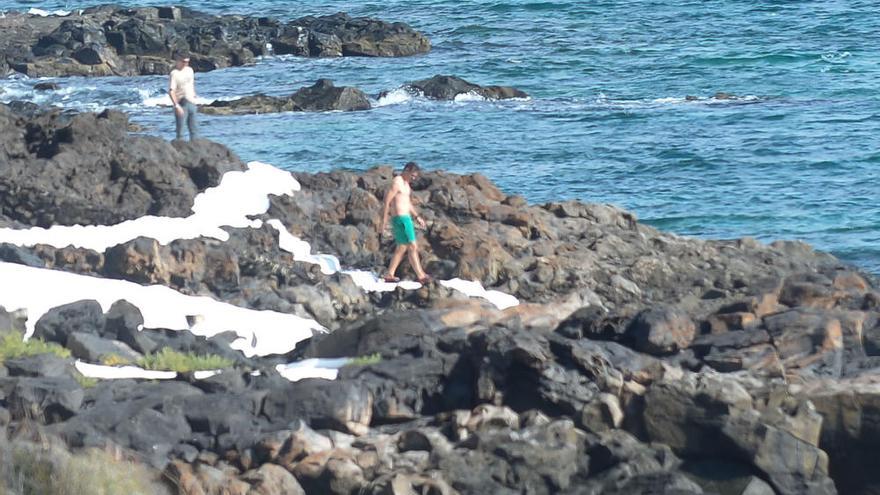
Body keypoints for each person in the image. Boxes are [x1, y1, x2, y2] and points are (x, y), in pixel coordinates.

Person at [380, 162, 431, 284]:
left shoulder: (406, 185)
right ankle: (421, 275)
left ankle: (389, 274)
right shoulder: (397, 182)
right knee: (412, 246)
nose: (413, 178)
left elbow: (407, 203)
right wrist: (384, 221)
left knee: (402, 247)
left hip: (406, 218)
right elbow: (387, 201)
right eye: (412, 175)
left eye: (415, 176)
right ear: (406, 170)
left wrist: (417, 216)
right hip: (400, 219)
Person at [168, 53, 199, 141]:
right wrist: (176, 106)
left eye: (188, 62)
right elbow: (171, 91)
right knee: (180, 132)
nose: (186, 64)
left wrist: (194, 95)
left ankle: (195, 150)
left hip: (192, 102)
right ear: (178, 60)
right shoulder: (174, 73)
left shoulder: (190, 70)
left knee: (194, 130)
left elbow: (191, 84)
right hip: (182, 103)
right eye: (184, 62)